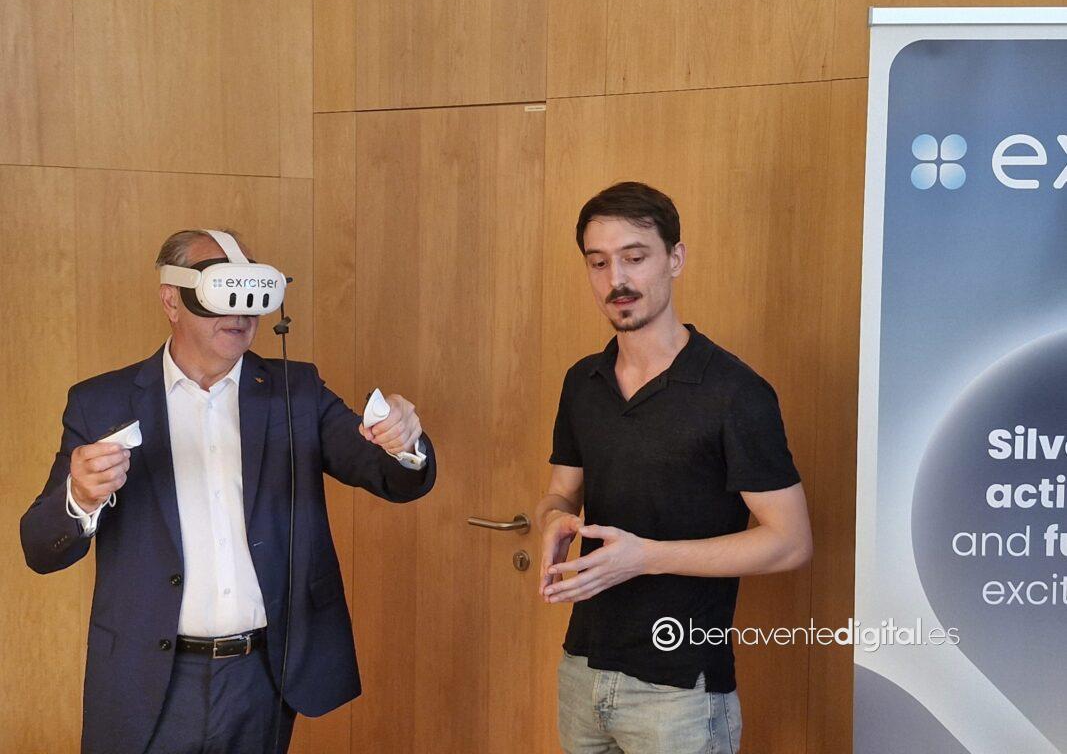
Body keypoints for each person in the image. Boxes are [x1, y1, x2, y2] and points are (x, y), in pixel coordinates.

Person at [20, 229, 437, 754]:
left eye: (249, 293)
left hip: (261, 679)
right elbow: (40, 549)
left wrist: (405, 443)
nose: (239, 312)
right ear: (172, 300)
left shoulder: (297, 391)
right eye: (220, 291)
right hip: (147, 678)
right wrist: (80, 499)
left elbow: (391, 477)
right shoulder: (101, 402)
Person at [536, 182, 813, 754]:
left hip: (682, 692)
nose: (616, 280)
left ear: (675, 259)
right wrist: (553, 521)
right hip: (583, 670)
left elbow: (790, 543)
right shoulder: (582, 381)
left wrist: (646, 557)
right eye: (599, 262)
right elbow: (561, 492)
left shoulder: (735, 392)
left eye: (635, 257)